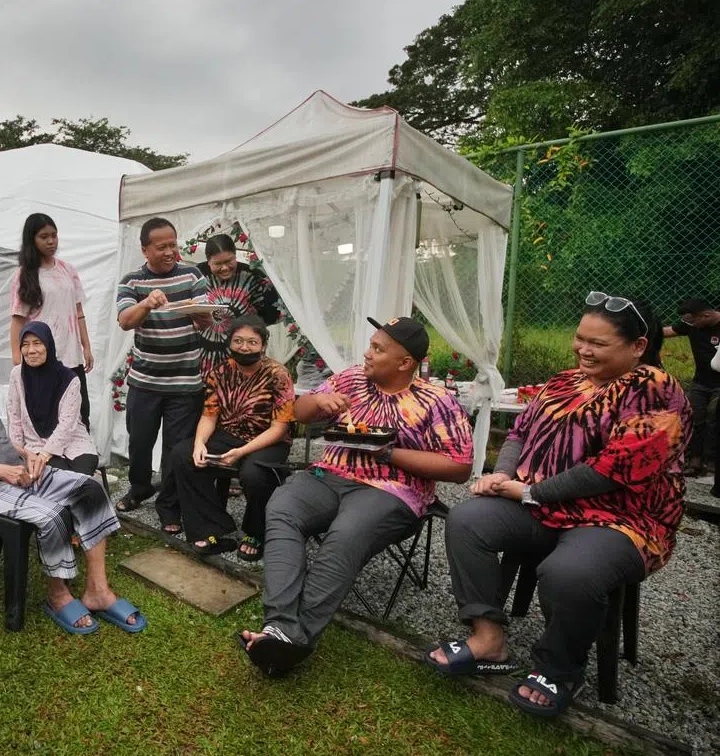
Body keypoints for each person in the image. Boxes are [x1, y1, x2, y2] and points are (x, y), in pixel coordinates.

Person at [429, 293, 688, 719]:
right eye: (580, 338)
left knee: (570, 572)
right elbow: (519, 433)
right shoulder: (565, 381)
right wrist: (502, 475)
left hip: (620, 518)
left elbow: (612, 469)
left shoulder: (655, 390)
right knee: (467, 520)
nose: (583, 349)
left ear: (638, 346)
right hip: (543, 505)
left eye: (598, 343)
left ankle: (560, 669)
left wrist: (530, 492)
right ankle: (488, 638)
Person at [239, 316, 473, 676]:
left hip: (391, 490)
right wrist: (320, 400)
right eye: (370, 345)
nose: (367, 353)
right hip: (329, 476)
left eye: (378, 349)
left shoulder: (436, 400)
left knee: (346, 533)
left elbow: (459, 466)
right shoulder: (351, 378)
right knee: (282, 507)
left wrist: (388, 453)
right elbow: (298, 413)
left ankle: (292, 637)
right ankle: (281, 627)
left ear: (405, 362)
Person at [0, 322, 145, 635]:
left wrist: (28, 454)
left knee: (91, 489)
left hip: (16, 472)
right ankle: (57, 595)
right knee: (53, 514)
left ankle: (97, 590)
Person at [115, 217, 213, 533]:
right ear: (145, 250)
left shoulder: (193, 274)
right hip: (145, 381)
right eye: (162, 247)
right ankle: (139, 487)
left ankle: (169, 506)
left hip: (185, 382)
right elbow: (125, 321)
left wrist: (202, 315)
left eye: (173, 244)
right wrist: (147, 303)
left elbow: (206, 319)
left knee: (176, 447)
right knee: (140, 441)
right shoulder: (132, 282)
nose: (170, 251)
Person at [173, 316, 294, 560]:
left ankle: (255, 532)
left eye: (252, 342)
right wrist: (199, 443)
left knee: (254, 475)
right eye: (238, 341)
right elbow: (209, 416)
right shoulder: (220, 372)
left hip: (268, 440)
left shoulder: (278, 375)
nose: (244, 347)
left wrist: (242, 452)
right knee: (183, 455)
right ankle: (212, 528)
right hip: (229, 434)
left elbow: (279, 428)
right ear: (229, 342)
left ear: (263, 345)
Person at [9, 213, 93, 428]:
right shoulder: (24, 275)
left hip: (71, 355)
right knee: (49, 417)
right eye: (44, 237)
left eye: (54, 236)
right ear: (32, 239)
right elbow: (18, 320)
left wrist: (86, 347)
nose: (50, 241)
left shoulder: (68, 270)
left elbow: (78, 311)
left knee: (80, 415)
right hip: (41, 357)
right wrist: (18, 359)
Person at [8, 321, 98, 476]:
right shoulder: (17, 375)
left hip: (73, 440)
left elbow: (67, 424)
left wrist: (46, 454)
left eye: (37, 343)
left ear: (48, 345)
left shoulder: (69, 379)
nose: (31, 350)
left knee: (82, 471)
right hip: (36, 443)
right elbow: (14, 418)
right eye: (25, 345)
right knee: (57, 475)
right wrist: (17, 454)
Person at [196, 234, 280, 379]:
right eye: (217, 263)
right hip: (203, 355)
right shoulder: (197, 275)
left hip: (243, 355)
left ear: (235, 255)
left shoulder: (253, 276)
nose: (224, 268)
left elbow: (271, 313)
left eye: (229, 261)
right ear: (208, 261)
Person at [662, 298, 720, 475]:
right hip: (701, 382)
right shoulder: (691, 325)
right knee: (692, 413)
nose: (690, 325)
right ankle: (694, 459)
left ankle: (711, 460)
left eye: (693, 321)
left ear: (706, 315)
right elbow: (667, 331)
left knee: (714, 414)